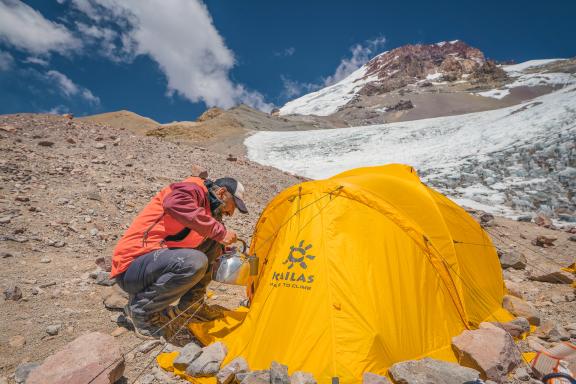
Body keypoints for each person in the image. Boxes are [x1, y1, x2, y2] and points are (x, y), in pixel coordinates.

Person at [110, 175, 248, 339]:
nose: (231, 213)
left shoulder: (208, 207)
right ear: (222, 192)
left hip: (152, 262)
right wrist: (219, 232)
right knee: (194, 262)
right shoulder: (192, 189)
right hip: (130, 268)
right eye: (233, 206)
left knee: (215, 244)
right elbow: (174, 203)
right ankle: (141, 311)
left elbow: (201, 235)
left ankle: (191, 305)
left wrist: (222, 245)